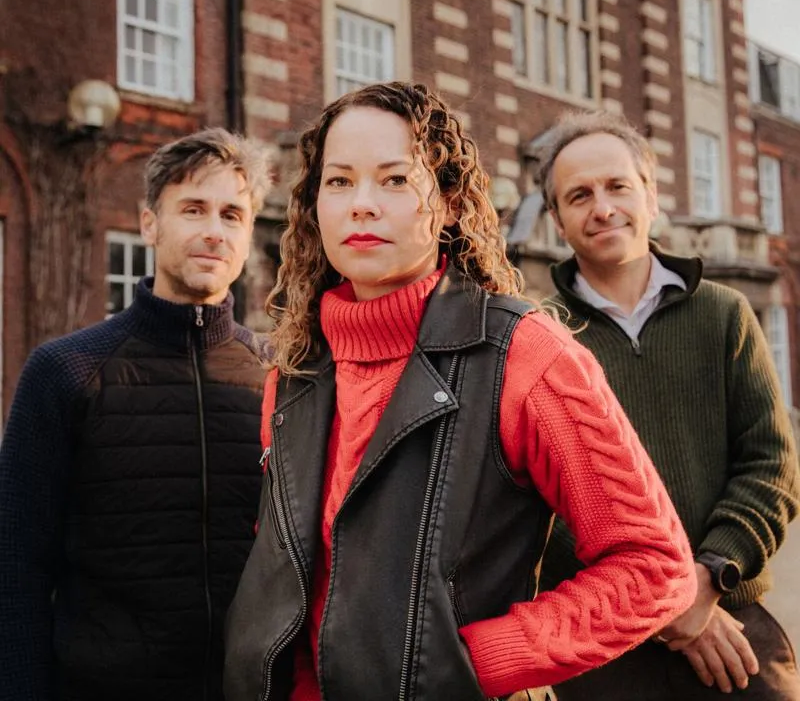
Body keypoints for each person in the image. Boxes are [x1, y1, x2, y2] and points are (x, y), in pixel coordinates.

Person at [223, 82, 697, 701]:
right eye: (338, 182)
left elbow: (653, 567)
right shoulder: (294, 368)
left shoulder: (527, 356)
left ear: (447, 202)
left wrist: (475, 661)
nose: (362, 204)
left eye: (395, 180)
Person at [0, 128, 273, 701]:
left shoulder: (277, 375)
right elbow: (17, 564)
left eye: (232, 214)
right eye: (193, 209)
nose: (213, 232)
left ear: (248, 235)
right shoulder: (65, 371)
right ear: (151, 223)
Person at [535, 111, 800, 700]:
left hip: (736, 629)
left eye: (617, 186)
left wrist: (705, 581)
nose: (602, 207)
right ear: (556, 220)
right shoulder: (536, 338)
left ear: (651, 194)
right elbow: (538, 507)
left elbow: (771, 469)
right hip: (609, 651)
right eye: (579, 195)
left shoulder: (724, 314)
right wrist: (656, 606)